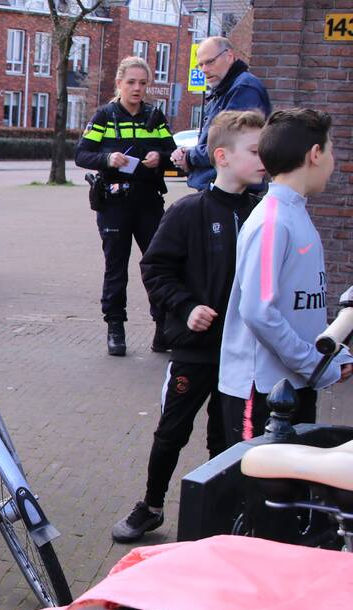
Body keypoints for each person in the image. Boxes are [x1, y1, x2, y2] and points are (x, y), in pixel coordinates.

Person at [112, 110, 266, 543]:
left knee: (229, 437)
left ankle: (224, 514)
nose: (263, 159)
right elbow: (155, 268)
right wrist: (186, 307)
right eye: (255, 151)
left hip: (242, 355)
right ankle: (152, 505)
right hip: (195, 351)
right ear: (222, 156)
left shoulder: (261, 213)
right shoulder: (188, 211)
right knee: (172, 431)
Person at [218, 108, 353, 446]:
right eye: (331, 151)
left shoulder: (295, 215)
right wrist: (313, 364)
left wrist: (328, 358)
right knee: (252, 493)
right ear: (315, 154)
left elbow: (301, 307)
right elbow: (258, 311)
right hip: (263, 391)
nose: (334, 162)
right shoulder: (273, 220)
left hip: (295, 384)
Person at [75, 56, 177, 357]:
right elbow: (82, 154)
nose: (137, 88)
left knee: (158, 265)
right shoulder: (104, 116)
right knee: (116, 268)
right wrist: (108, 159)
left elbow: (172, 153)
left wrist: (161, 158)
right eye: (131, 82)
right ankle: (115, 328)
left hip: (148, 202)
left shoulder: (154, 117)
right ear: (119, 83)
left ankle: (163, 327)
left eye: (142, 83)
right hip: (114, 203)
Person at [171, 37, 271, 192]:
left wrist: (190, 157)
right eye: (200, 65)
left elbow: (230, 143)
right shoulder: (226, 89)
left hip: (231, 191)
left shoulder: (243, 88)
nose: (204, 69)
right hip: (222, 188)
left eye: (210, 62)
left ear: (229, 56)